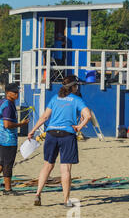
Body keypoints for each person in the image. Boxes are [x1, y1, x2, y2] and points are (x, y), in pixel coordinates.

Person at [28, 76, 91, 206]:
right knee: (65, 169)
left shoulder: (54, 99)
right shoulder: (77, 99)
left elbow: (45, 117)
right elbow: (88, 115)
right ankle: (66, 200)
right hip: (67, 135)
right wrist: (79, 126)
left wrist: (33, 130)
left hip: (51, 134)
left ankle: (37, 194)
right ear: (74, 87)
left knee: (47, 165)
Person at [0, 83, 30, 195]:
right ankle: (8, 189)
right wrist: (20, 124)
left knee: (2, 164)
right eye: (15, 92)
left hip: (2, 137)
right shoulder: (8, 105)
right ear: (8, 93)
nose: (17, 94)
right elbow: (7, 124)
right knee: (7, 164)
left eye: (18, 92)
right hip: (7, 139)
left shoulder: (3, 101)